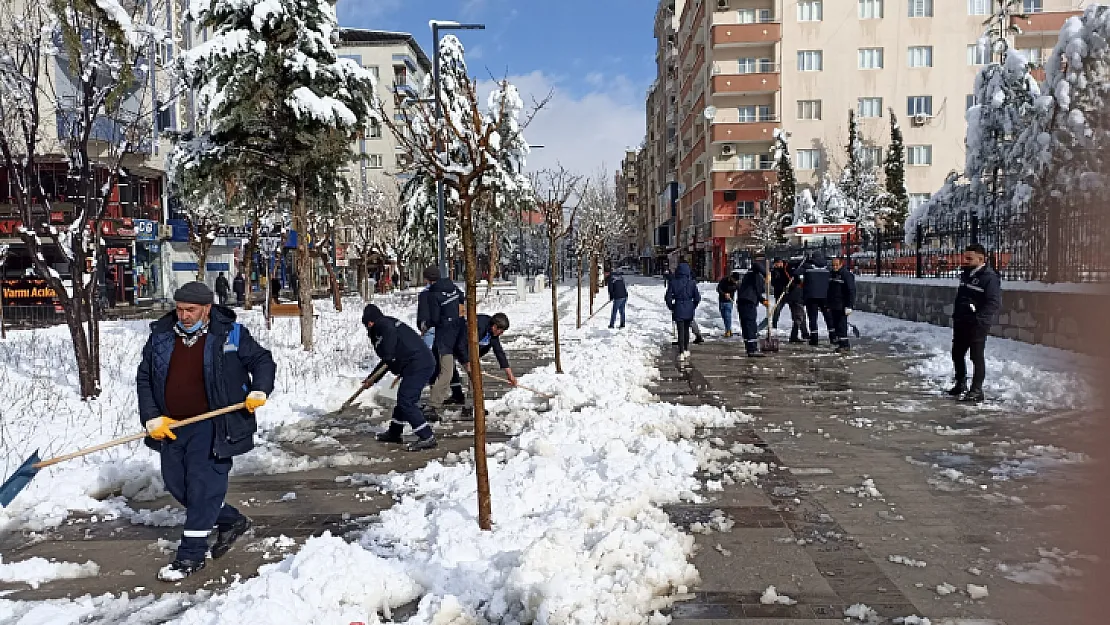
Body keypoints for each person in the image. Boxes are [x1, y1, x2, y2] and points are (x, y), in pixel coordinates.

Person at [136, 281, 276, 581]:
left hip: (215, 424)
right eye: (180, 309)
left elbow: (262, 360)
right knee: (179, 486)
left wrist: (260, 390)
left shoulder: (229, 333)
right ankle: (231, 519)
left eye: (191, 310)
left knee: (202, 487)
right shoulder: (161, 336)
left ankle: (191, 555)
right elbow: (145, 377)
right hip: (172, 425)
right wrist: (151, 418)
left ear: (207, 309)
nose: (184, 315)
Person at [361, 304, 438, 451]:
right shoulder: (385, 324)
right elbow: (387, 359)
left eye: (368, 323)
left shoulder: (385, 327)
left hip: (419, 364)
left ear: (370, 322)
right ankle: (395, 432)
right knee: (404, 399)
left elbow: (388, 355)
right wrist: (372, 378)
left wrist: (390, 358)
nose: (368, 326)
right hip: (414, 363)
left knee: (406, 400)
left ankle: (427, 436)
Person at [949, 244, 1001, 403]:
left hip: (977, 324)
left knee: (976, 356)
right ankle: (960, 383)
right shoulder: (966, 274)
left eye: (969, 258)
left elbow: (993, 302)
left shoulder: (990, 277)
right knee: (957, 353)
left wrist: (979, 318)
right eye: (964, 257)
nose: (965, 261)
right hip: (961, 320)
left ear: (981, 259)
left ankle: (977, 390)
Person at [424, 265, 465, 420]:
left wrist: (426, 325)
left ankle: (433, 404)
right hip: (459, 330)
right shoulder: (451, 286)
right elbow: (462, 299)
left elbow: (434, 318)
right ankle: (458, 394)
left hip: (445, 337)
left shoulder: (433, 294)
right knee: (450, 367)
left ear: (428, 279)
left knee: (445, 371)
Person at [451, 313, 517, 407]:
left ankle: (470, 407)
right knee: (448, 373)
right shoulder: (479, 326)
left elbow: (499, 352)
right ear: (494, 327)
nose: (501, 334)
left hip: (470, 354)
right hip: (454, 347)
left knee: (475, 379)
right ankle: (435, 404)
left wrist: (510, 375)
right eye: (501, 331)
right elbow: (460, 345)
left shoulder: (492, 334)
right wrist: (468, 363)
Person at [665, 261, 701, 360]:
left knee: (680, 331)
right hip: (689, 308)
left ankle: (680, 352)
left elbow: (668, 297)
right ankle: (686, 349)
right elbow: (697, 298)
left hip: (678, 307)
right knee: (686, 330)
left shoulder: (673, 282)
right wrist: (693, 306)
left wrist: (671, 307)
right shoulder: (692, 283)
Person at [736, 256, 768, 357]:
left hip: (743, 302)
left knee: (746, 325)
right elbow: (756, 265)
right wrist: (766, 274)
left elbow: (756, 291)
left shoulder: (749, 275)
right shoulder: (754, 274)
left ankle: (749, 347)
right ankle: (752, 349)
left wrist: (762, 300)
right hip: (748, 303)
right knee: (750, 325)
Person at [798, 251, 832, 347]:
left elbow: (796, 272)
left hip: (811, 296)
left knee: (813, 318)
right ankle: (833, 336)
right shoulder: (827, 267)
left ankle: (814, 338)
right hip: (825, 296)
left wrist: (803, 263)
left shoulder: (808, 267)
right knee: (828, 318)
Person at [826, 256, 857, 354]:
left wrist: (849, 306)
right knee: (835, 325)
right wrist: (827, 304)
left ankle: (845, 345)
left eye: (836, 265)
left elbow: (851, 291)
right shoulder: (832, 275)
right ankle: (840, 343)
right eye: (833, 265)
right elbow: (829, 290)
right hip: (833, 304)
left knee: (842, 325)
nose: (834, 267)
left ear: (841, 264)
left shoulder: (846, 275)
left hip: (842, 305)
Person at [785, 258, 809, 344]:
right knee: (799, 317)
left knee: (802, 316)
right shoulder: (795, 274)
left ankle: (805, 334)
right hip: (796, 298)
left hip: (796, 298)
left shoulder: (795, 273)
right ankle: (794, 336)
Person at [716, 271, 739, 338]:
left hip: (729, 301)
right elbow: (718, 289)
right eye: (734, 280)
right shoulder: (724, 280)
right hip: (722, 300)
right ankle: (728, 329)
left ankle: (728, 331)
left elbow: (736, 289)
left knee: (727, 315)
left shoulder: (735, 284)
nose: (735, 281)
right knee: (724, 316)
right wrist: (724, 294)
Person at [770, 259, 790, 329]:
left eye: (778, 263)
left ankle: (798, 326)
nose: (776, 265)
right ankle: (774, 324)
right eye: (775, 264)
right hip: (779, 294)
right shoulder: (774, 271)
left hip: (790, 293)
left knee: (795, 310)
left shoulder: (787, 268)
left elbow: (790, 278)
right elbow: (773, 283)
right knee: (777, 309)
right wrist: (781, 288)